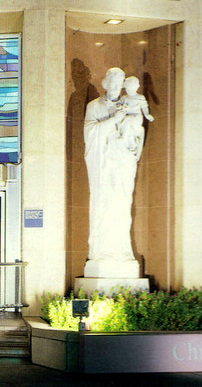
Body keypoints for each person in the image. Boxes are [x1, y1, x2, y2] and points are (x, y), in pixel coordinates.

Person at [83, 67, 140, 268]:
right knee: (104, 204)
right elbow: (90, 134)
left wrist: (132, 140)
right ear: (106, 83)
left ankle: (123, 251)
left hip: (123, 164)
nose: (115, 87)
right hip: (103, 165)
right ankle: (101, 252)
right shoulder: (94, 106)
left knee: (122, 206)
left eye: (119, 83)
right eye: (112, 83)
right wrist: (114, 119)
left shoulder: (131, 105)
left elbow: (137, 134)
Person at [119, 75, 153, 159]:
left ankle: (124, 136)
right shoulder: (124, 98)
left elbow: (144, 107)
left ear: (136, 88)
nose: (129, 90)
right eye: (128, 88)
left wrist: (147, 115)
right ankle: (126, 139)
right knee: (126, 121)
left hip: (136, 118)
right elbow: (119, 106)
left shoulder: (140, 98)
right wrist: (121, 108)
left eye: (131, 88)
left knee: (129, 119)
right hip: (126, 118)